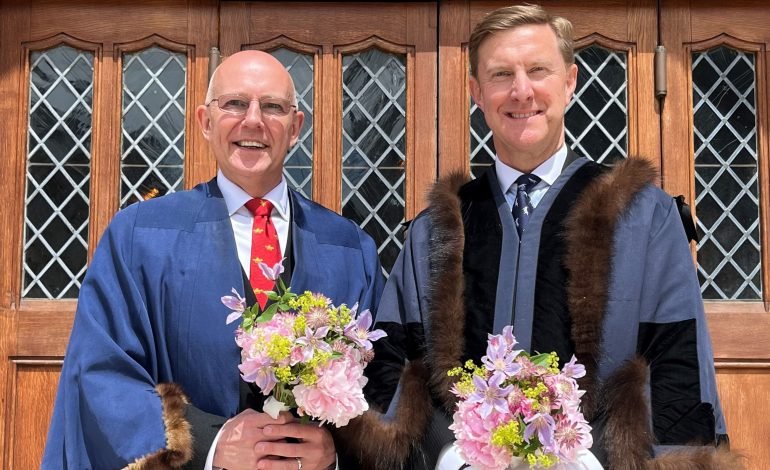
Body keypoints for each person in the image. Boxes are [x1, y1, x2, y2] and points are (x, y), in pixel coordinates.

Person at [336, 4, 741, 469]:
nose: (521, 90)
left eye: (537, 70)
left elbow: (677, 364)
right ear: (476, 92)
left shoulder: (643, 217)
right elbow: (396, 376)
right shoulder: (437, 232)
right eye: (501, 74)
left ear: (569, 81)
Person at [43, 50, 384, 470]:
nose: (254, 121)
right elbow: (99, 374)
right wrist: (210, 441)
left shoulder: (349, 249)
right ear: (205, 121)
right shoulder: (140, 235)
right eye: (235, 104)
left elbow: (385, 391)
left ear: (296, 128)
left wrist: (336, 452)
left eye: (273, 107)